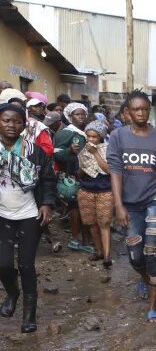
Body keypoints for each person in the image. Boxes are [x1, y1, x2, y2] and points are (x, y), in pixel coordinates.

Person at [107, 90, 156, 324]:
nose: (140, 113)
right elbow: (115, 172)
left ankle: (153, 305)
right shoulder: (118, 137)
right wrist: (118, 206)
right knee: (135, 257)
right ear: (127, 112)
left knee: (152, 250)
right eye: (135, 109)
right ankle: (145, 275)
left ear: (149, 111)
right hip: (129, 203)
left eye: (144, 109)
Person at [0, 103, 56, 333]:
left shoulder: (34, 151)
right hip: (2, 214)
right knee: (2, 264)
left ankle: (29, 316)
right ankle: (12, 293)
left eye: (17, 121)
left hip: (29, 214)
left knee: (26, 264)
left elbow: (48, 180)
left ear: (23, 124)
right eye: (6, 120)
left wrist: (46, 204)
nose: (12, 125)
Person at [53, 102, 93, 253]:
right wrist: (69, 151)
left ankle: (84, 239)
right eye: (77, 114)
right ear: (70, 116)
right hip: (72, 177)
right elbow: (56, 155)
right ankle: (76, 239)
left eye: (83, 114)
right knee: (76, 209)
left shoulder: (84, 131)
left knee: (84, 209)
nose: (81, 117)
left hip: (86, 176)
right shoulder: (66, 133)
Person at [75, 119, 114, 267]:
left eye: (94, 137)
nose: (91, 139)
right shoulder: (83, 150)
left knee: (104, 223)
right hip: (86, 190)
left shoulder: (108, 149)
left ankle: (106, 256)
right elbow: (80, 172)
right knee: (91, 223)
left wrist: (95, 153)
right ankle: (98, 251)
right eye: (89, 136)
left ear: (101, 137)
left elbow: (108, 170)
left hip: (105, 191)